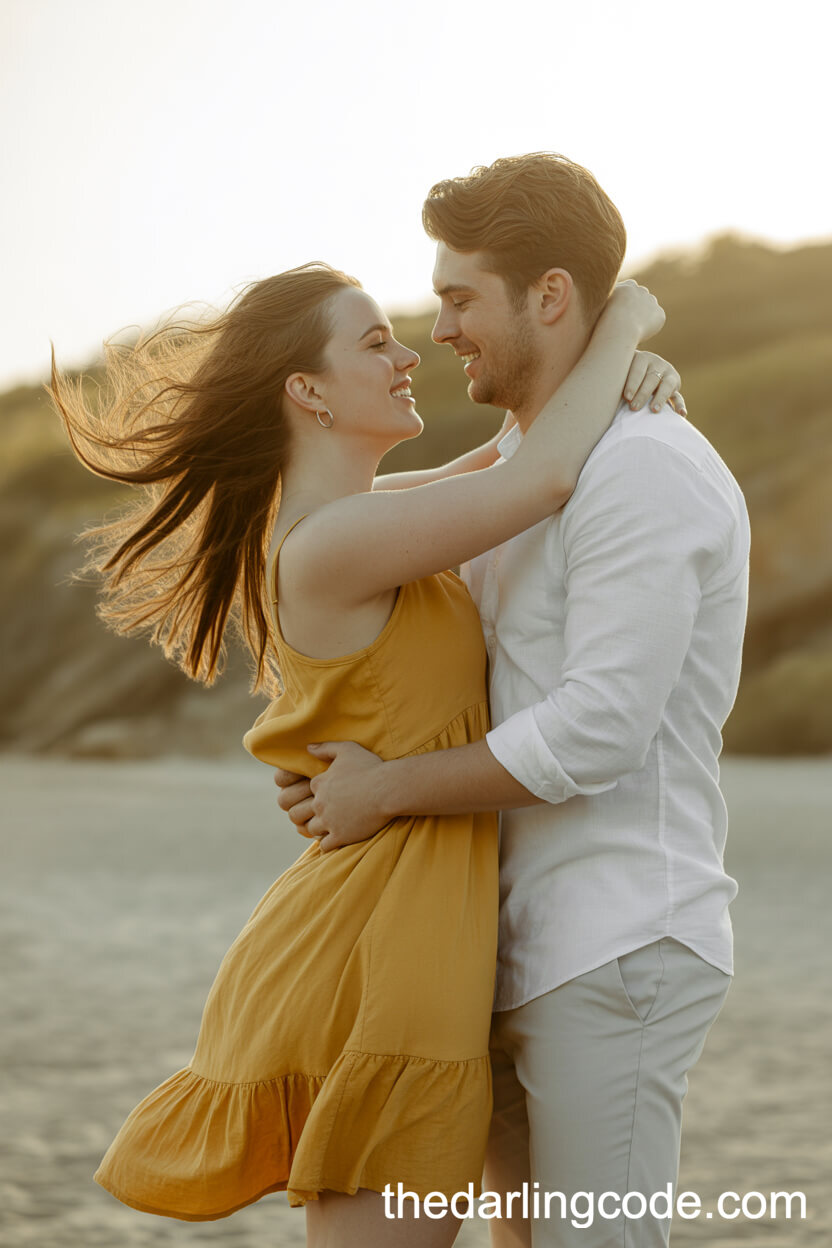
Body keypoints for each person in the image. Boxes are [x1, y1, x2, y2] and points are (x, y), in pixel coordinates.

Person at [49, 243, 678, 1246]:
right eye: (377, 342)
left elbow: (525, 452)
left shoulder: (363, 516)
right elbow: (547, 474)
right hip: (372, 944)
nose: (408, 356)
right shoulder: (334, 542)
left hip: (408, 923)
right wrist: (631, 318)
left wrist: (631, 369)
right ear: (309, 391)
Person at [275, 154, 751, 1247]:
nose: (436, 328)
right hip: (492, 944)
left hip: (616, 937)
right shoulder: (519, 467)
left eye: (458, 298)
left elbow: (599, 729)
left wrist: (385, 791)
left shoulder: (639, 469)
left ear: (549, 295)